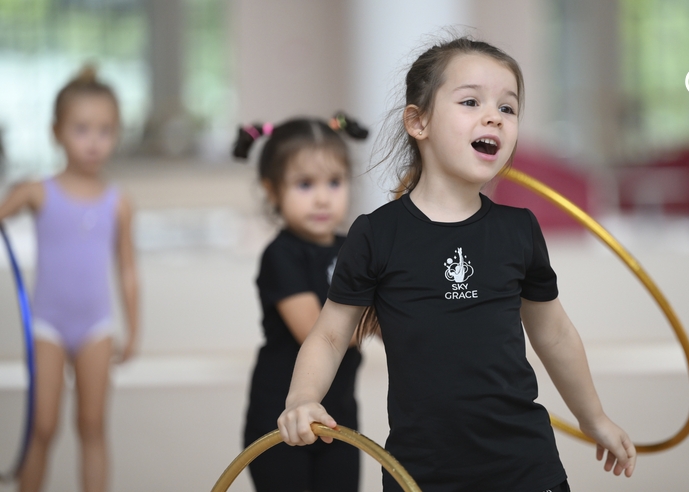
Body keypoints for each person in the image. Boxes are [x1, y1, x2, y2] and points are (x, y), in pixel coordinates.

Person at [277, 37, 637, 492]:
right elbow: (330, 335)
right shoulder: (376, 234)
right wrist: (302, 399)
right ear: (418, 121)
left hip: (526, 466)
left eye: (508, 109)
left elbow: (555, 332)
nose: (493, 117)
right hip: (420, 473)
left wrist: (594, 417)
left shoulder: (518, 230)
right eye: (471, 101)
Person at [0, 66, 139, 492]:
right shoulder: (37, 191)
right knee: (42, 428)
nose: (94, 141)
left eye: (105, 130)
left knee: (92, 427)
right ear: (56, 132)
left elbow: (128, 270)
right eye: (82, 129)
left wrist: (133, 329)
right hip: (47, 326)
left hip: (96, 326)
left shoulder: (119, 202)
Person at [232, 113, 368, 492]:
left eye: (334, 182)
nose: (323, 197)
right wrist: (382, 318)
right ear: (272, 190)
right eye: (305, 184)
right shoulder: (281, 255)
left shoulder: (354, 249)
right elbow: (317, 330)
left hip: (338, 416)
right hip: (281, 417)